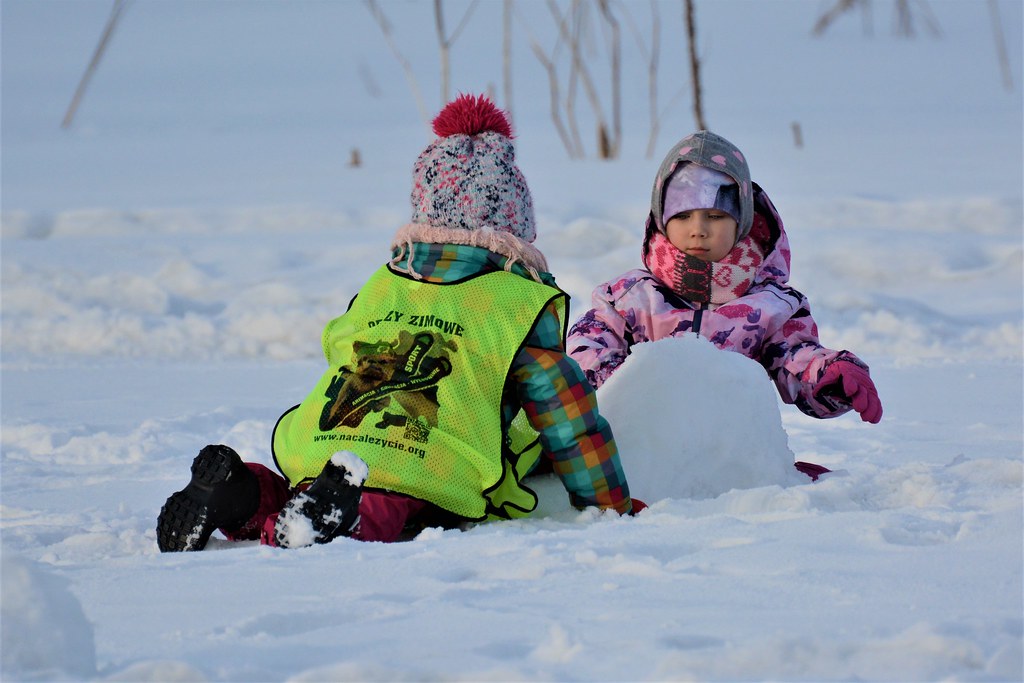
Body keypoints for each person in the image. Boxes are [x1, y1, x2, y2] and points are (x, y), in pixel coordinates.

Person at [157, 94, 638, 553]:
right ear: (512, 225)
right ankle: (343, 516)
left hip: (327, 438)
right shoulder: (511, 303)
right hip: (422, 453)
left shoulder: (384, 286)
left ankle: (239, 494)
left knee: (301, 492)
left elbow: (341, 349)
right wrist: (608, 505)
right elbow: (564, 409)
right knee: (389, 507)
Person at [567, 130, 882, 436]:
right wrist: (627, 384)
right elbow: (585, 351)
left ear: (742, 221)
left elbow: (795, 360)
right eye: (683, 215)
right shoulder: (628, 298)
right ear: (661, 219)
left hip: (732, 460)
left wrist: (830, 375)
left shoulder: (772, 306)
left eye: (715, 216)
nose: (698, 229)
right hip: (648, 453)